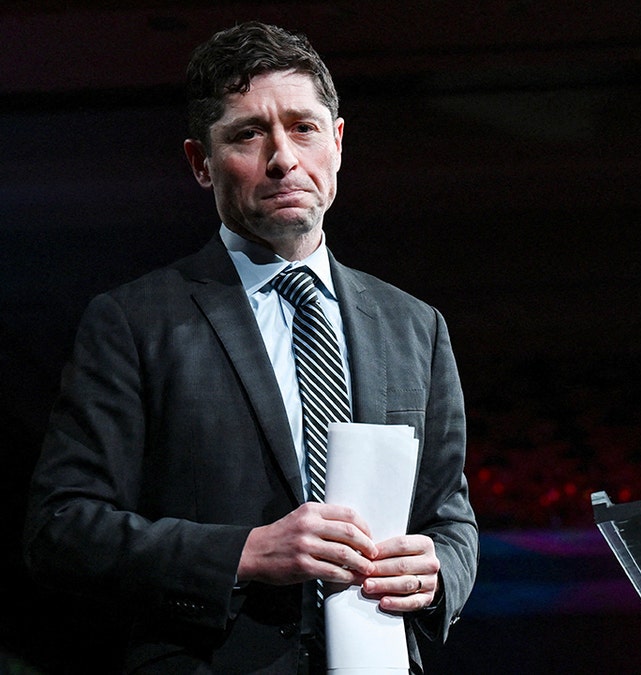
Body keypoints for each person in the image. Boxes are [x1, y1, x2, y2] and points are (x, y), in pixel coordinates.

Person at [23, 21, 478, 674]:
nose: (283, 158)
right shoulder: (133, 322)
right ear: (199, 163)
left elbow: (450, 521)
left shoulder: (416, 326)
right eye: (246, 133)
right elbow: (60, 531)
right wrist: (244, 552)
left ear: (339, 143)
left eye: (303, 127)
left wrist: (437, 573)